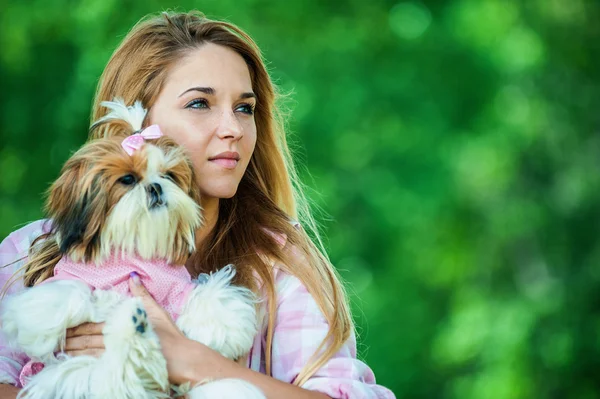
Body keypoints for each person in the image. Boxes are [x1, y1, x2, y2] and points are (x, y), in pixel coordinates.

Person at [0, 11, 395, 399]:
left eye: (245, 108)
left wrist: (193, 361)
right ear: (136, 120)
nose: (233, 129)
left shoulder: (279, 266)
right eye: (199, 104)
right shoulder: (28, 252)